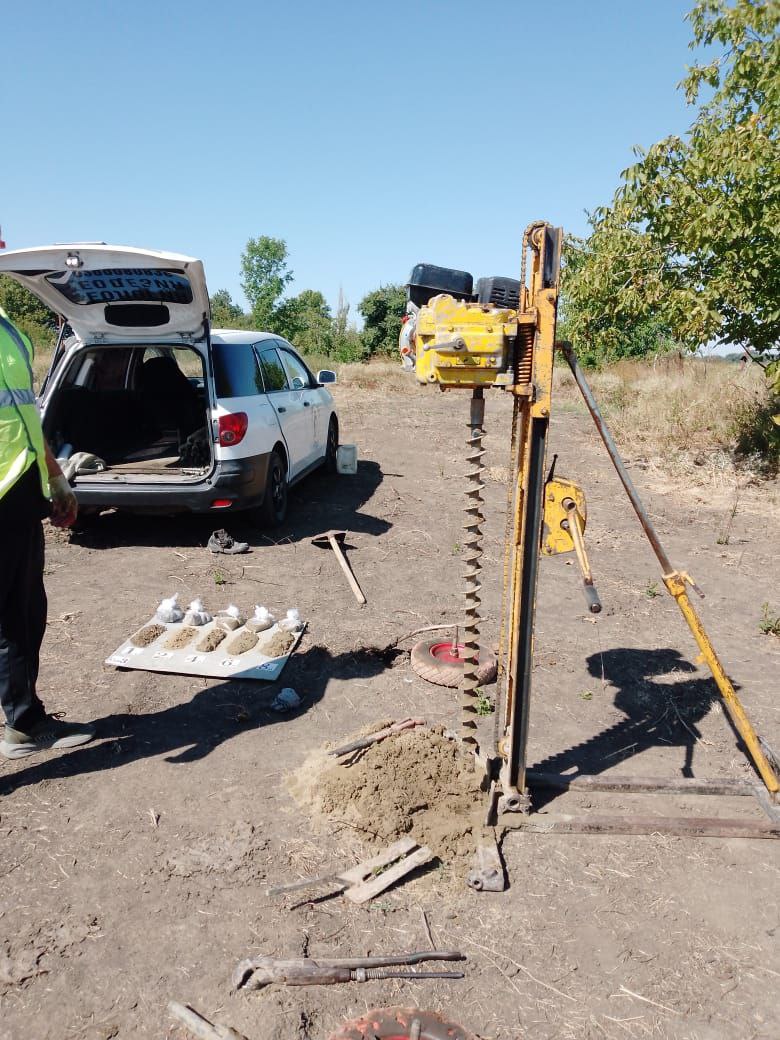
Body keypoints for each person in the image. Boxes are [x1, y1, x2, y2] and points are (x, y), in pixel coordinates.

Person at [0, 305, 95, 758]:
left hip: (17, 493)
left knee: (22, 614)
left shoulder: (8, 328)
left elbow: (24, 417)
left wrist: (54, 476)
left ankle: (24, 722)